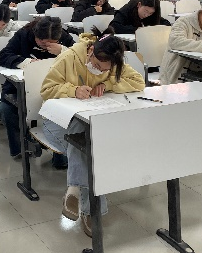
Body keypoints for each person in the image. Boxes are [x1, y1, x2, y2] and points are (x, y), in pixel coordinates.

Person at [40, 29, 145, 237]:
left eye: (105, 70)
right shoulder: (69, 57)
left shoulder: (115, 64)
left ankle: (74, 189)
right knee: (90, 149)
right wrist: (73, 90)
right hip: (56, 122)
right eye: (96, 65)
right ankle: (91, 212)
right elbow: (46, 90)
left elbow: (138, 82)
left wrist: (108, 83)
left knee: (86, 142)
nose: (98, 71)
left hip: (87, 124)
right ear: (90, 51)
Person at [0, 17, 74, 164]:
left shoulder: (63, 36)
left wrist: (63, 50)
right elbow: (4, 56)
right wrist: (28, 62)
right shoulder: (24, 34)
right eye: (42, 42)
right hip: (19, 87)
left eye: (51, 43)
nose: (46, 46)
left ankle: (59, 153)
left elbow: (82, 58)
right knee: (5, 109)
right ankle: (22, 147)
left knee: (62, 109)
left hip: (55, 88)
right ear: (35, 34)